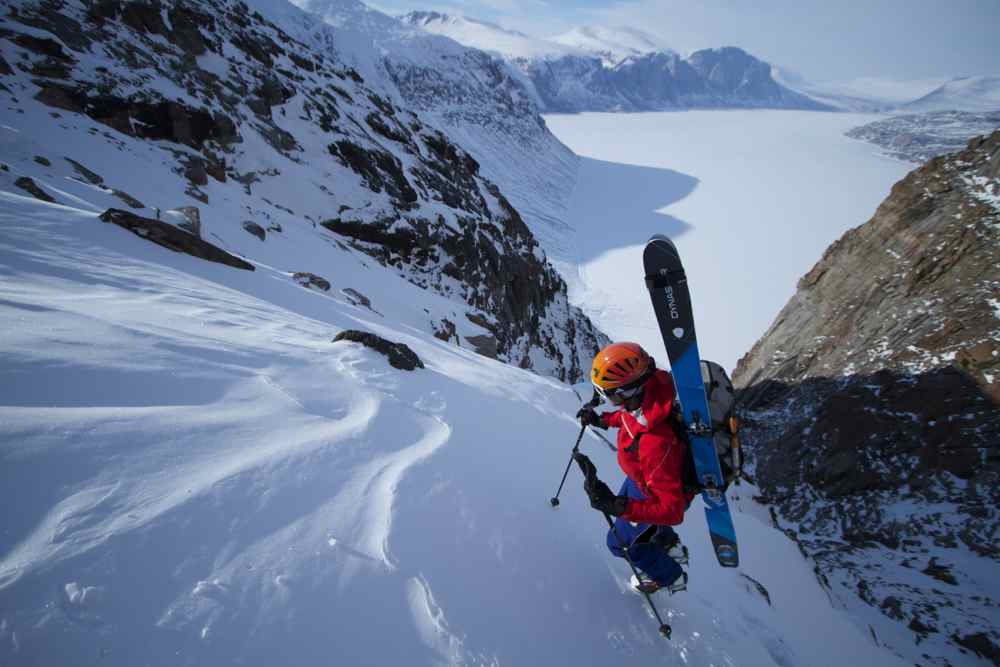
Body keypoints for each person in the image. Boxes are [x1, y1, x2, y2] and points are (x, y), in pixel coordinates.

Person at [573, 342, 691, 595]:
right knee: (639, 527)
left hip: (650, 493)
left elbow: (673, 510)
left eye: (610, 395)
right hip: (642, 480)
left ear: (629, 390)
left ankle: (669, 576)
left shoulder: (655, 444)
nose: (609, 401)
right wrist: (603, 420)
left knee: (618, 543)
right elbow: (630, 418)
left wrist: (618, 507)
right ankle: (665, 541)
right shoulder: (652, 394)